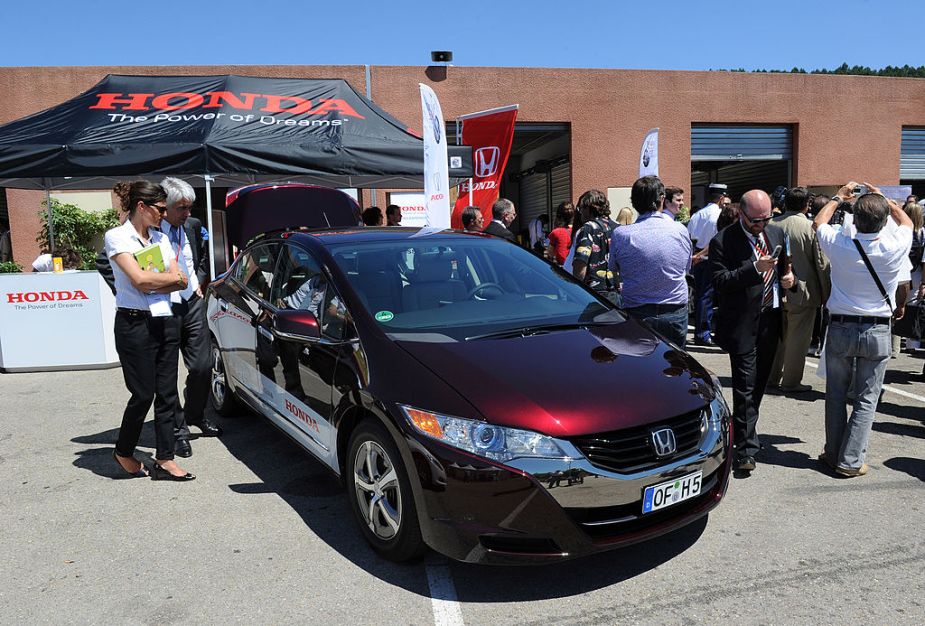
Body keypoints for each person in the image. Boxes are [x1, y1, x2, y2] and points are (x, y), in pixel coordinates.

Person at [813, 183, 912, 477]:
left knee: (835, 393)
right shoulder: (895, 246)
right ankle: (850, 460)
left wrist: (838, 197)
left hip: (841, 326)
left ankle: (833, 453)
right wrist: (884, 198)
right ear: (884, 221)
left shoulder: (840, 244)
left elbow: (819, 221)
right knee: (867, 398)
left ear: (854, 220)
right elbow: (906, 221)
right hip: (878, 329)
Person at [105, 181, 193, 481]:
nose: (163, 214)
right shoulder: (117, 237)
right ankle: (123, 450)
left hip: (164, 319)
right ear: (141, 207)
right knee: (143, 394)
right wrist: (167, 279)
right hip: (133, 323)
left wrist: (166, 279)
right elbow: (139, 281)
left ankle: (166, 458)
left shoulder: (160, 238)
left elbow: (181, 278)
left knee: (167, 393)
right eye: (159, 209)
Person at [710, 189, 795, 473]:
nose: (762, 224)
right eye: (756, 220)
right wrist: (753, 268)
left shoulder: (774, 234)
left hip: (770, 319)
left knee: (758, 385)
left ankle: (743, 430)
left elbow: (785, 270)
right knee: (744, 386)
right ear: (742, 214)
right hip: (742, 323)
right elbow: (720, 281)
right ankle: (745, 449)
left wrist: (789, 280)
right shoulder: (723, 241)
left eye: (766, 219)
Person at [160, 177, 221, 459]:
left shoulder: (192, 226)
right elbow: (106, 262)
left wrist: (200, 280)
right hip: (163, 307)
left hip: (193, 301)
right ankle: (178, 431)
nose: (187, 214)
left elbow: (203, 256)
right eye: (182, 208)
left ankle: (195, 413)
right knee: (167, 374)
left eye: (190, 208)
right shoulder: (146, 231)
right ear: (164, 207)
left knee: (202, 365)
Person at [610, 176, 691, 347]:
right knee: (675, 366)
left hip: (637, 309)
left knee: (639, 366)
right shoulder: (680, 230)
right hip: (674, 309)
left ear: (634, 202)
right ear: (662, 199)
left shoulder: (621, 234)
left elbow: (614, 268)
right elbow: (686, 267)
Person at [769, 187, 831, 392]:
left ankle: (771, 377)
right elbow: (821, 264)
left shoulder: (769, 224)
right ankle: (791, 381)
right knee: (798, 339)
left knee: (776, 336)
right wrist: (826, 294)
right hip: (804, 291)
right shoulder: (810, 227)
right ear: (807, 205)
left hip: (773, 290)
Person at [688, 184, 728, 345]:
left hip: (698, 259)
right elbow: (717, 241)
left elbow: (690, 237)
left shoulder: (697, 215)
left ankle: (701, 330)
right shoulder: (719, 215)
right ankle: (704, 333)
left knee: (701, 297)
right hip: (712, 258)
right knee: (711, 297)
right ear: (721, 198)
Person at [572, 189, 619, 304]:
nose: (580, 212)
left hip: (594, 294)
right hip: (617, 292)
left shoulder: (588, 228)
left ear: (589, 208)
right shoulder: (618, 228)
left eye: (581, 208)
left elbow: (580, 265)